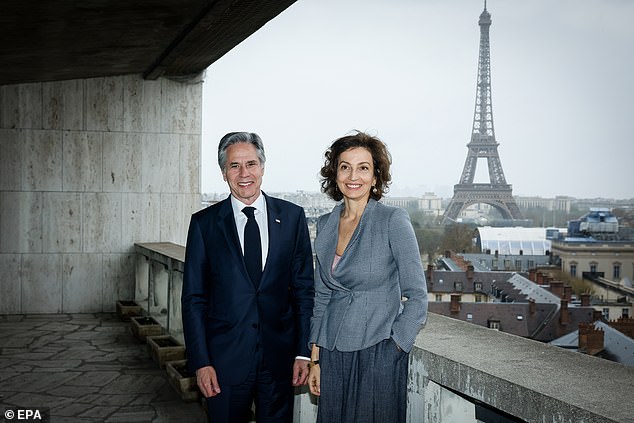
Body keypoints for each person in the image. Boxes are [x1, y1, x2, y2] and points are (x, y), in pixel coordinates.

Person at [181, 132, 314, 423]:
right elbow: (194, 299)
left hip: (280, 363)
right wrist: (201, 362)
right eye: (234, 166)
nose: (244, 174)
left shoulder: (292, 218)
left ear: (263, 167)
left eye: (251, 163)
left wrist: (303, 352)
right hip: (223, 365)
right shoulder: (204, 224)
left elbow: (304, 290)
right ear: (223, 172)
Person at [307, 131, 428, 423]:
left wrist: (396, 347)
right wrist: (315, 358)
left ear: (375, 178)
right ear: (334, 174)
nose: (353, 175)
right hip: (333, 353)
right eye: (345, 166)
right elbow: (322, 296)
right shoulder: (324, 225)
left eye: (363, 167)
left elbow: (417, 295)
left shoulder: (392, 220)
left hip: (378, 351)